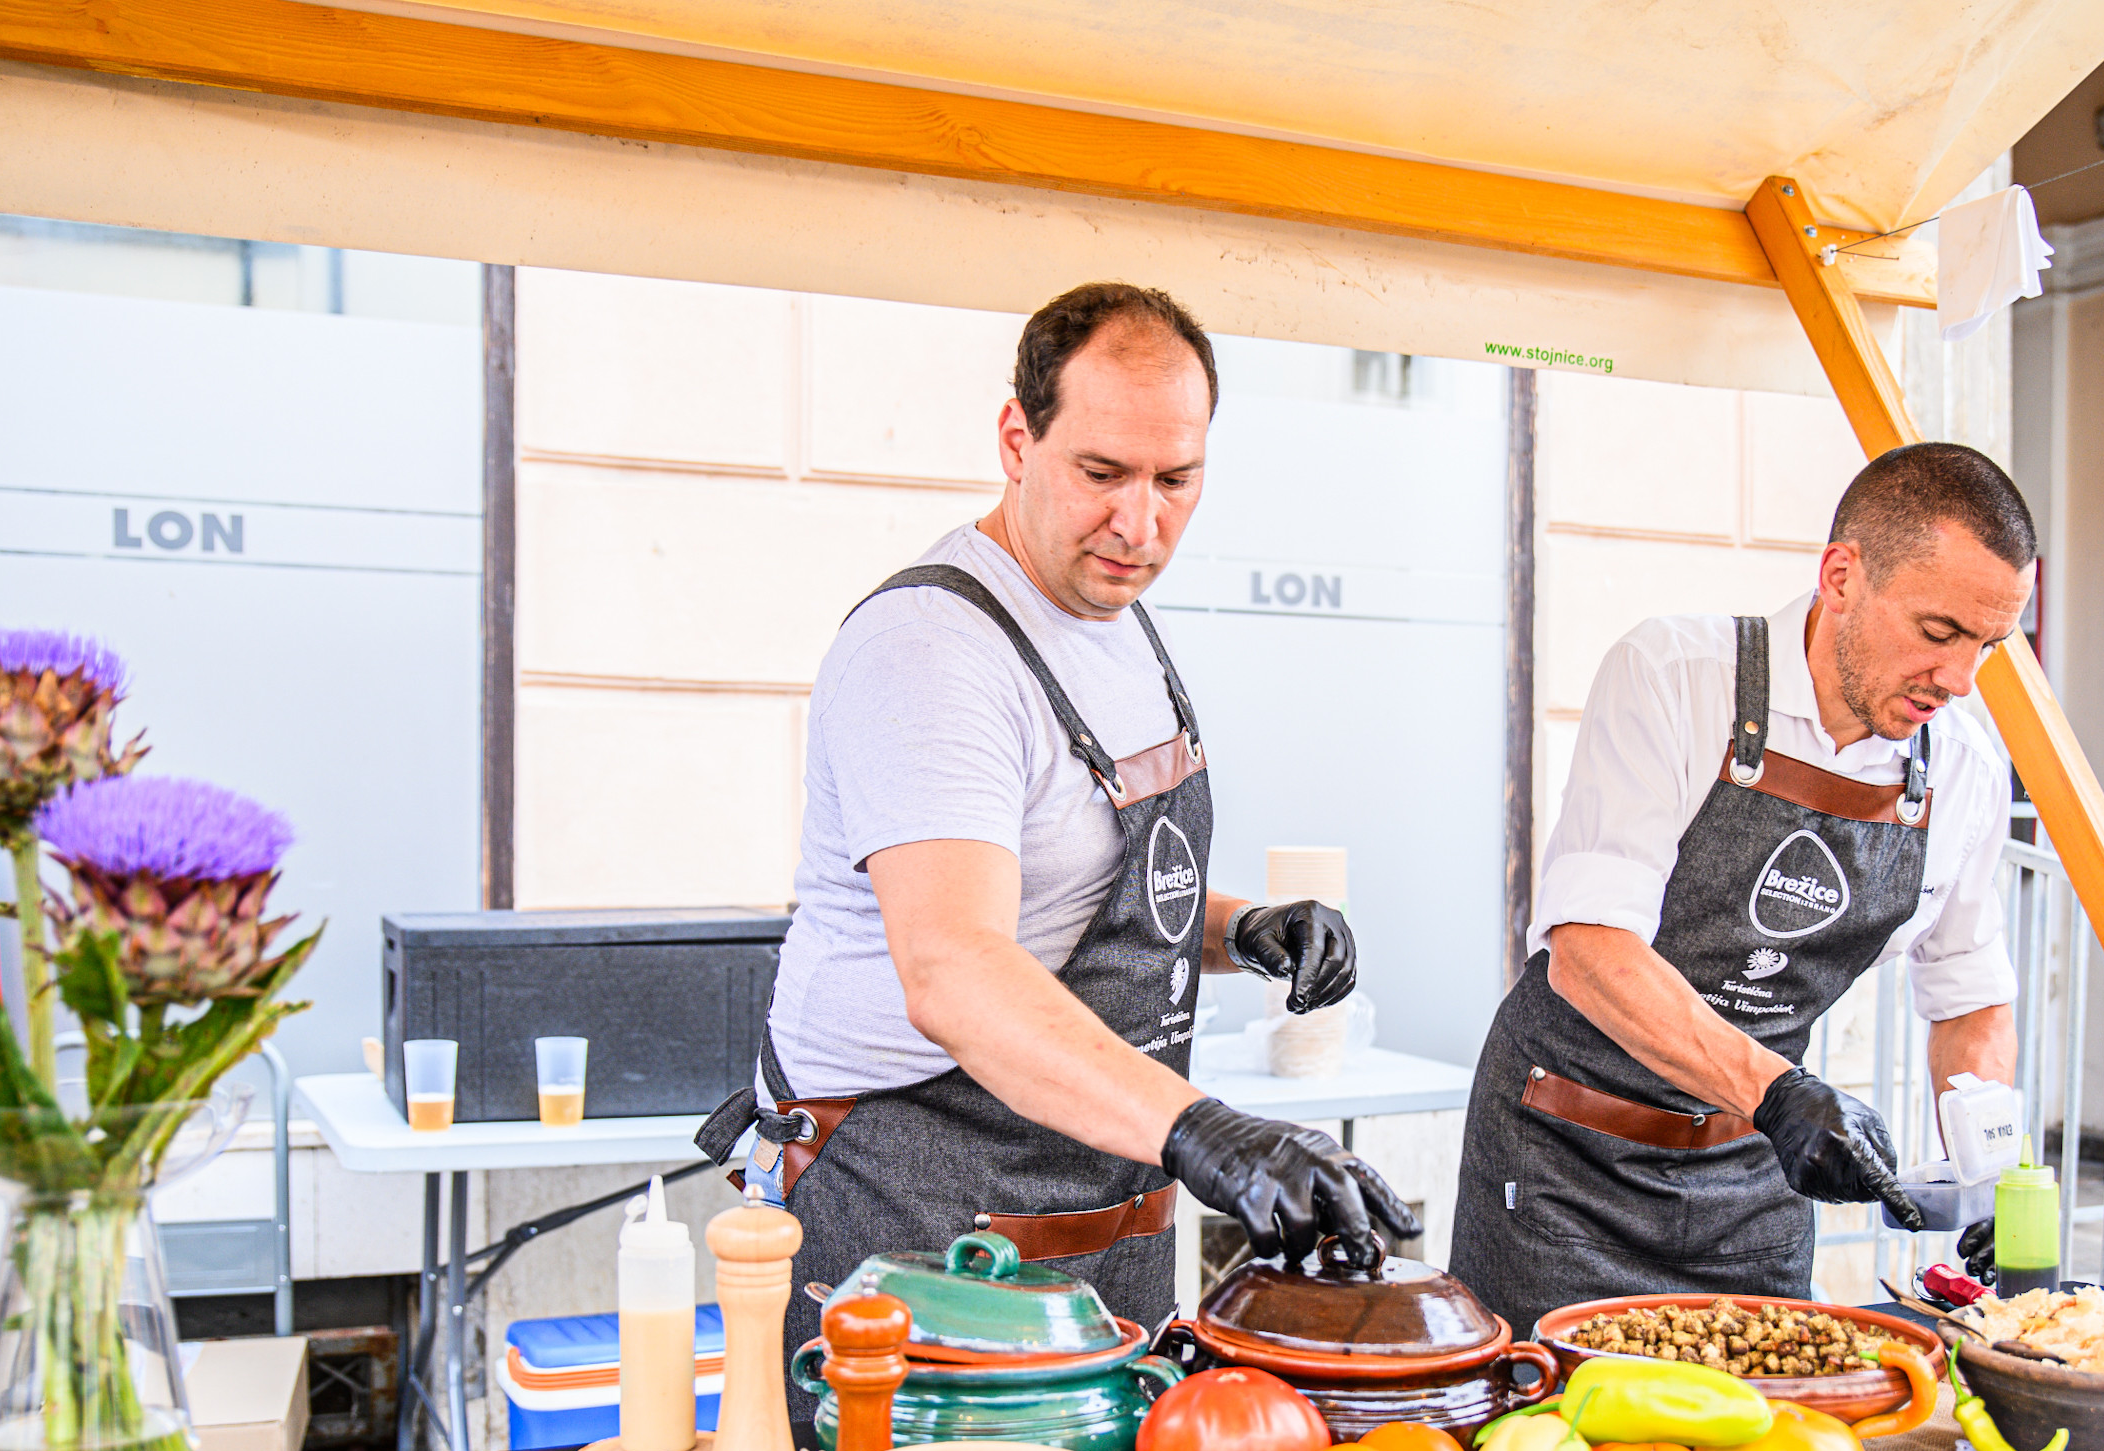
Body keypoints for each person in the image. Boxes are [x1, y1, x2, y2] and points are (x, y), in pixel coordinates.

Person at [699, 283, 1416, 1387]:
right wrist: (1209, 1132)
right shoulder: (932, 650)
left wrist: (1241, 931)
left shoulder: (1114, 619)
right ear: (1015, 439)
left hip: (1099, 1216)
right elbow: (957, 967)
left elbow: (1080, 898)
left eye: (1176, 481)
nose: (1142, 526)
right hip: (919, 1213)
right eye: (1102, 475)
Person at [1447, 442, 2031, 1333]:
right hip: (1564, 1167)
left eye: (1987, 644)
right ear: (1841, 576)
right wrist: (1780, 1092)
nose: (1958, 680)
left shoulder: (1966, 771)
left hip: (1754, 1191)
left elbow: (1969, 997)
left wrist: (1989, 1176)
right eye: (1938, 632)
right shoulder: (1677, 676)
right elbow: (1590, 953)